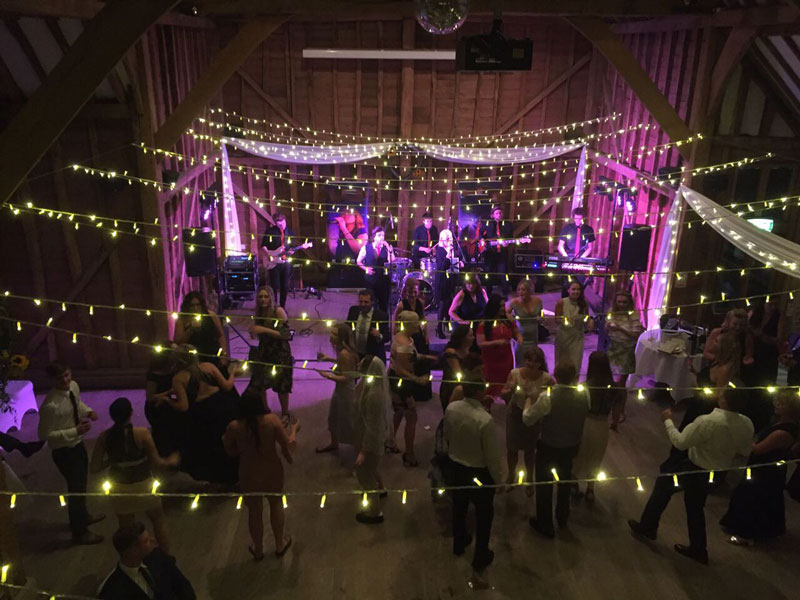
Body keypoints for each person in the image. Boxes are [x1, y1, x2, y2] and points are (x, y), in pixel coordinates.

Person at [628, 387, 754, 564]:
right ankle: (698, 548)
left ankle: (648, 526)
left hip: (694, 469)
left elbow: (680, 442)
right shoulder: (747, 423)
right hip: (717, 474)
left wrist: (668, 421)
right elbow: (745, 451)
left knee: (663, 488)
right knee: (695, 506)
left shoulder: (708, 421)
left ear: (724, 400)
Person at [443, 356, 505, 590]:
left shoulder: (452, 408)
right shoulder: (485, 420)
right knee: (484, 515)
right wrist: (499, 480)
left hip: (456, 466)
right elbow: (492, 456)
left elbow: (447, 435)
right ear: (480, 392)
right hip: (479, 473)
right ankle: (480, 556)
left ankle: (459, 542)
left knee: (459, 506)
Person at [90, 397, 177, 553]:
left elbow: (94, 467)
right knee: (158, 521)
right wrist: (171, 460)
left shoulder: (104, 437)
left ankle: (133, 558)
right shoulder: (142, 433)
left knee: (126, 529)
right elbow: (157, 462)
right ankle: (166, 557)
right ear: (131, 412)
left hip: (119, 487)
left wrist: (111, 461)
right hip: (144, 484)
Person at [222, 388, 297, 560]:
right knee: (276, 503)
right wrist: (294, 430)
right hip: (272, 469)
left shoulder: (234, 426)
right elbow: (287, 444)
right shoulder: (272, 421)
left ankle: (258, 549)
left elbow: (229, 450)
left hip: (248, 472)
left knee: (254, 511)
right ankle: (279, 544)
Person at [720, 389, 800, 545]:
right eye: (777, 401)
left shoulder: (782, 432)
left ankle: (747, 534)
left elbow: (758, 449)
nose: (776, 404)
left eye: (782, 403)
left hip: (765, 471)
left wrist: (741, 442)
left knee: (753, 499)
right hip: (768, 468)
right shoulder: (782, 423)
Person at [37, 361, 104, 544]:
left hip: (77, 443)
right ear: (52, 380)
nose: (65, 381)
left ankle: (83, 516)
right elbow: (44, 434)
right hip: (64, 451)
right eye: (60, 378)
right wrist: (75, 431)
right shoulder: (50, 406)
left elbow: (76, 402)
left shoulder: (73, 386)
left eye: (67, 375)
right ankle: (79, 532)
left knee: (81, 485)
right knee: (75, 490)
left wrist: (88, 412)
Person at [523, 360, 589, 538]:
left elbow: (528, 419)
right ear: (574, 377)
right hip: (571, 446)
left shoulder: (548, 397)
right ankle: (562, 518)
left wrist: (527, 403)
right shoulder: (584, 394)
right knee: (564, 483)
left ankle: (545, 524)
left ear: (555, 376)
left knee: (544, 485)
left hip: (549, 446)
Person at [170, 345, 241, 486]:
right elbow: (227, 386)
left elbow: (183, 407)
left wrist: (168, 401)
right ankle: (234, 475)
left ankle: (216, 479)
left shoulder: (179, 378)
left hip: (202, 413)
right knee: (225, 442)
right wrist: (233, 374)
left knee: (209, 446)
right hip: (221, 407)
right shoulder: (208, 367)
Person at [500, 346, 554, 496]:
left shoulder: (546, 378)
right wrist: (509, 390)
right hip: (515, 414)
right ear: (524, 360)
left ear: (541, 363)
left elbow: (553, 396)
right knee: (512, 449)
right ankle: (511, 475)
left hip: (533, 418)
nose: (531, 364)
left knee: (530, 451)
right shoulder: (515, 373)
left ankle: (530, 478)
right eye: (529, 360)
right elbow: (503, 394)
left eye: (536, 362)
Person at [387, 311, 436, 466]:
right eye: (416, 323)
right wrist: (418, 379)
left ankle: (389, 441)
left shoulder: (405, 338)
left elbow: (412, 356)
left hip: (399, 380)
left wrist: (425, 357)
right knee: (411, 417)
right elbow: (401, 369)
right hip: (401, 383)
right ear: (408, 324)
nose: (418, 325)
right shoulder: (403, 345)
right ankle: (409, 454)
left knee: (399, 411)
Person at [98, 521, 195, 600]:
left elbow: (183, 586)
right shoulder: (112, 590)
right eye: (146, 541)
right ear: (134, 550)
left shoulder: (158, 557)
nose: (153, 540)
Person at [572, 351, 615, 501]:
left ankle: (574, 484)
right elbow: (617, 412)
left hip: (586, 424)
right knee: (596, 458)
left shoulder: (585, 387)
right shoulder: (613, 388)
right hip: (602, 426)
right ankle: (590, 489)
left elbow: (578, 409)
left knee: (579, 455)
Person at [248, 286, 294, 421]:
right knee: (259, 382)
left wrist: (263, 330)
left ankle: (285, 413)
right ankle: (265, 410)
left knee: (282, 385)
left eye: (266, 296)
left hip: (280, 352)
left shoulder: (278, 311)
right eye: (260, 297)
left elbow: (287, 335)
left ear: (271, 298)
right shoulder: (259, 312)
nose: (263, 299)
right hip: (264, 350)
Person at [353, 355, 389, 524]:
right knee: (372, 469)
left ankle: (374, 512)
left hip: (370, 441)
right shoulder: (371, 385)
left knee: (365, 475)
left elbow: (373, 426)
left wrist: (363, 451)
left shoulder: (374, 395)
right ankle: (381, 489)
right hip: (368, 437)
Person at [315, 323, 359, 455]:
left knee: (348, 421)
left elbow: (346, 377)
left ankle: (359, 449)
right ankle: (334, 443)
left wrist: (327, 375)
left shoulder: (344, 354)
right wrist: (329, 359)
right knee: (333, 417)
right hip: (340, 390)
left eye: (334, 334)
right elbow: (344, 365)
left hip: (346, 392)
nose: (331, 336)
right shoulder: (344, 352)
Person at [606, 290, 643, 430]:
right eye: (619, 302)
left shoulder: (633, 315)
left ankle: (620, 411)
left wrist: (620, 329)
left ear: (629, 303)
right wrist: (607, 327)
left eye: (624, 302)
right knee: (610, 381)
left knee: (621, 384)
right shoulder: (612, 311)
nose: (621, 304)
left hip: (626, 350)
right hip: (613, 348)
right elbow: (606, 329)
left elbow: (636, 335)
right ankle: (610, 407)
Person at [393, 277, 432, 402]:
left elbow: (423, 319)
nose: (413, 295)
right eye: (410, 292)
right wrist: (397, 337)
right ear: (406, 291)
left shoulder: (420, 302)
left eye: (415, 292)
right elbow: (395, 323)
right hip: (407, 336)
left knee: (423, 363)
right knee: (411, 362)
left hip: (418, 334)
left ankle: (423, 393)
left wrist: (426, 334)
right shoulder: (401, 305)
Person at [746, 301, 782, 432]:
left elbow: (779, 340)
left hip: (769, 356)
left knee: (765, 387)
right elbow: (748, 332)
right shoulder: (754, 313)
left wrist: (762, 336)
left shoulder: (778, 317)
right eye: (769, 304)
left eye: (774, 304)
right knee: (751, 385)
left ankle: (762, 421)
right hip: (754, 354)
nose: (772, 307)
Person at [477, 294, 521, 398]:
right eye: (500, 306)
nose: (502, 308)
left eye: (503, 306)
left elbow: (516, 333)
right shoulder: (484, 324)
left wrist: (519, 338)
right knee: (490, 387)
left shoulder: (508, 320)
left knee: (507, 384)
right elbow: (480, 343)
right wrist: (496, 342)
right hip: (491, 361)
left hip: (506, 359)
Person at [144, 344, 181, 456]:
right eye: (174, 351)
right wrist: (169, 392)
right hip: (156, 408)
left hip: (167, 404)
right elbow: (150, 397)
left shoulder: (172, 369)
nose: (177, 352)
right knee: (161, 433)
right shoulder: (153, 374)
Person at [173, 292, 227, 367]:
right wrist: (191, 330)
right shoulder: (182, 320)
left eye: (197, 305)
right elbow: (178, 342)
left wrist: (223, 354)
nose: (195, 308)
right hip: (193, 359)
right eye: (192, 306)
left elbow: (221, 335)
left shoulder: (211, 315)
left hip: (213, 355)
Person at [554, 281, 593, 375]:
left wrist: (590, 321)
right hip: (563, 337)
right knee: (562, 364)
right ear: (568, 290)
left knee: (576, 365)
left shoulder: (584, 303)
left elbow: (586, 318)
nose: (576, 291)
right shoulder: (561, 302)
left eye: (578, 289)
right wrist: (565, 321)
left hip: (577, 338)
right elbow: (556, 319)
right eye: (573, 289)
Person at [557, 207, 596, 296]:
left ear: (584, 218)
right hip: (569, 257)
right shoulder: (567, 228)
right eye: (576, 218)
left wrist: (581, 259)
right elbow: (560, 246)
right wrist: (567, 258)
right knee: (566, 286)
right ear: (573, 217)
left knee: (579, 287)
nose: (578, 221)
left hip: (581, 258)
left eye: (580, 219)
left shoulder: (588, 229)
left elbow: (590, 247)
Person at [357, 226, 395, 313]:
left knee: (383, 304)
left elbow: (392, 260)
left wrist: (388, 248)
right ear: (374, 237)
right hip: (370, 280)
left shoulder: (386, 248)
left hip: (383, 280)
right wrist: (366, 268)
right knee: (370, 304)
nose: (381, 237)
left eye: (383, 235)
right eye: (379, 235)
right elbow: (358, 261)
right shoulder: (366, 248)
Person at [346, 289, 390, 362]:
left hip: (373, 357)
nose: (363, 304)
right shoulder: (353, 311)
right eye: (361, 302)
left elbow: (388, 336)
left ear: (372, 302)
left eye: (366, 302)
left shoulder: (381, 316)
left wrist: (379, 335)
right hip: (355, 355)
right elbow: (347, 326)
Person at [261, 212, 295, 308]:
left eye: (283, 223)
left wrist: (291, 251)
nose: (282, 226)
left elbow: (292, 246)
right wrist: (269, 254)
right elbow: (263, 245)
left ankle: (282, 307)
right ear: (275, 223)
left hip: (286, 262)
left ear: (285, 221)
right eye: (279, 225)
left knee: (285, 286)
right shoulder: (270, 231)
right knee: (274, 286)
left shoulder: (290, 231)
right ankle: (274, 306)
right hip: (273, 263)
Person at [506, 279, 543, 368]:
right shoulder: (515, 302)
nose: (521, 292)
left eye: (523, 290)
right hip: (521, 337)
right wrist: (511, 319)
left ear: (529, 291)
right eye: (519, 290)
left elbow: (540, 314)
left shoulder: (538, 300)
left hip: (533, 336)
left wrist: (540, 318)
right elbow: (506, 313)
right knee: (521, 361)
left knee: (533, 359)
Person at [439, 324, 475, 412]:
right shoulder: (451, 352)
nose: (473, 338)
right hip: (452, 387)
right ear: (462, 338)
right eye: (470, 336)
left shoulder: (468, 351)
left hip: (465, 384)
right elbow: (458, 372)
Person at [479, 205, 514, 296]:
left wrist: (508, 244)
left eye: (500, 213)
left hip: (502, 253)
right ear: (493, 215)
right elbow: (480, 233)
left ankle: (505, 294)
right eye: (497, 213)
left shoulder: (508, 225)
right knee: (489, 273)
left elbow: (511, 238)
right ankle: (488, 293)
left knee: (503, 273)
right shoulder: (487, 223)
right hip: (490, 253)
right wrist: (482, 240)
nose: (499, 215)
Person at [434, 228, 462, 339]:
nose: (449, 241)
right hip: (442, 280)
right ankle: (439, 328)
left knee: (449, 303)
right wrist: (448, 255)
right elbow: (443, 266)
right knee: (442, 304)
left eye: (450, 239)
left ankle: (447, 324)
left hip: (451, 279)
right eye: (447, 239)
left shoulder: (453, 249)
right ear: (442, 239)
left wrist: (459, 262)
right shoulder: (440, 250)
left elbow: (455, 261)